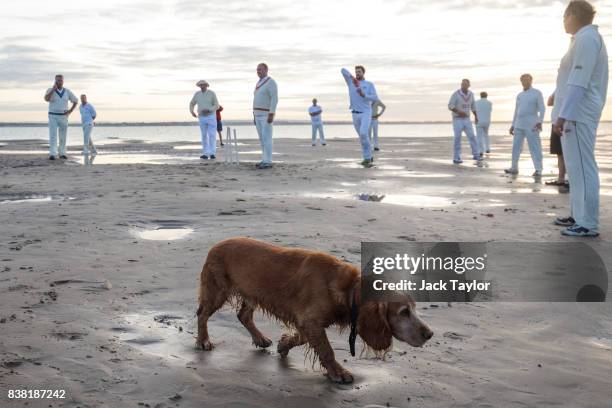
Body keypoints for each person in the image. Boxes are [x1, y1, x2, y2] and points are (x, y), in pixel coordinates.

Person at [553, 0, 608, 237]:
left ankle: (588, 223)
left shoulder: (586, 39)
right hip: (574, 112)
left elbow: (579, 81)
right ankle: (577, 215)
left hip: (578, 114)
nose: (563, 21)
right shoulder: (581, 39)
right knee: (575, 168)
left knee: (584, 167)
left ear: (572, 14)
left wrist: (564, 115)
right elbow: (570, 79)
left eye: (564, 16)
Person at [505, 74, 545, 176]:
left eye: (527, 80)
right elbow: (516, 111)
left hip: (532, 125)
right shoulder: (519, 95)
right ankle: (514, 167)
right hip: (519, 124)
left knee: (535, 147)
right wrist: (513, 124)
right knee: (516, 147)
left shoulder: (537, 93)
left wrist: (540, 121)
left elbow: (542, 109)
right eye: (523, 80)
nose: (525, 82)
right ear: (521, 81)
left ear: (531, 80)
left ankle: (538, 169)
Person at [341, 65, 379, 167]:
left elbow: (375, 97)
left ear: (363, 73)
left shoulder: (369, 84)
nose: (357, 73)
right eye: (356, 72)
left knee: (363, 133)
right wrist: (353, 79)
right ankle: (369, 156)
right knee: (362, 137)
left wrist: (364, 95)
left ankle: (367, 158)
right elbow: (343, 70)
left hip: (366, 112)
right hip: (354, 113)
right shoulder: (351, 83)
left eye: (359, 72)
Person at [44, 74, 78, 160]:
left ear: (63, 81)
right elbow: (46, 99)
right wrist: (53, 90)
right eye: (58, 80)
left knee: (63, 135)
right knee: (53, 135)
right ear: (55, 81)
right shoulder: (50, 90)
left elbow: (75, 100)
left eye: (61, 80)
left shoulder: (67, 91)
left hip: (63, 116)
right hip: (53, 115)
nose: (59, 82)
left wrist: (70, 111)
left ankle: (62, 153)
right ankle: (53, 153)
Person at [253, 63, 278, 169]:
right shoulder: (258, 83)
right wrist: (253, 115)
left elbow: (274, 98)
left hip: (266, 114)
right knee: (262, 139)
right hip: (257, 114)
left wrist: (271, 113)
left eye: (260, 69)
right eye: (257, 70)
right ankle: (264, 159)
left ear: (266, 70)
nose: (258, 71)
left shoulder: (271, 82)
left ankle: (268, 161)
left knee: (267, 138)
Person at [448, 79, 479, 164]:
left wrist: (476, 117)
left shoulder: (471, 94)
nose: (463, 86)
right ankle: (456, 158)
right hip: (457, 119)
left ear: (469, 85)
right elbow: (450, 106)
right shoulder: (456, 94)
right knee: (457, 137)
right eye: (462, 84)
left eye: (465, 84)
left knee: (472, 136)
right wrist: (458, 111)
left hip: (467, 119)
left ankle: (476, 155)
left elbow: (473, 106)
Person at [190, 80, 220, 160]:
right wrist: (192, 111)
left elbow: (217, 105)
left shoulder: (212, 93)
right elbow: (192, 103)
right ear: (199, 86)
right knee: (204, 135)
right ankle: (205, 153)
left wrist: (209, 110)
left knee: (212, 135)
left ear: (207, 85)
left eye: (204, 85)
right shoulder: (197, 94)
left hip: (211, 116)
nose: (202, 86)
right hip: (201, 117)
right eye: (201, 85)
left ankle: (212, 153)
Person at [545, 92, 568, 187]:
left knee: (568, 154)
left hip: (564, 123)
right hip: (555, 123)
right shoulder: (558, 88)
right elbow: (549, 102)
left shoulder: (568, 86)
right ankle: (561, 179)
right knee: (559, 153)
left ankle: (569, 179)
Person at [474, 92, 492, 156]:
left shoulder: (476, 102)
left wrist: (475, 118)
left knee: (479, 136)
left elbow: (475, 111)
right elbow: (489, 110)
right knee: (486, 135)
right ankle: (487, 148)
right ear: (486, 96)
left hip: (479, 120)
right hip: (487, 121)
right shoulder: (489, 103)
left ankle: (480, 151)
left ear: (480, 96)